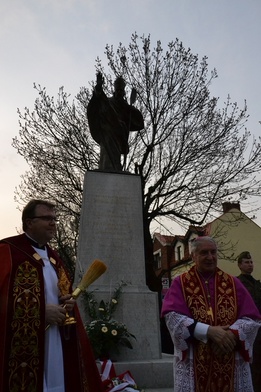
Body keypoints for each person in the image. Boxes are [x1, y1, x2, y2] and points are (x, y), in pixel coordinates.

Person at [0, 199, 103, 392]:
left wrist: (68, 303)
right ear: (29, 222)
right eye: (47, 218)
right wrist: (38, 313)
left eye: (55, 219)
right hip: (23, 344)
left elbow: (62, 294)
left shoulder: (55, 258)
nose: (53, 223)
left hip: (56, 339)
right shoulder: (8, 252)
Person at [161, 236, 261, 392]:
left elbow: (251, 318)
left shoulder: (233, 283)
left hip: (230, 356)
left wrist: (231, 336)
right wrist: (209, 331)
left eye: (213, 252)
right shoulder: (181, 283)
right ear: (193, 256)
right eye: (204, 253)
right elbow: (174, 318)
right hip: (195, 361)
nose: (210, 257)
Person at [87, 72, 144, 172]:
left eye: (121, 90)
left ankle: (116, 170)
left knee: (115, 157)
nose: (119, 92)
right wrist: (98, 89)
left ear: (124, 92)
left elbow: (137, 121)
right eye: (117, 89)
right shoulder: (108, 101)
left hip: (118, 135)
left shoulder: (126, 107)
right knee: (106, 157)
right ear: (114, 89)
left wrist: (130, 110)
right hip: (107, 134)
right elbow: (97, 103)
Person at [237, 251, 261, 392]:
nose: (250, 265)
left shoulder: (257, 284)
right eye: (246, 262)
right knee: (251, 365)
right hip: (246, 329)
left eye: (251, 262)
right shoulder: (237, 283)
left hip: (259, 329)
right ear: (240, 265)